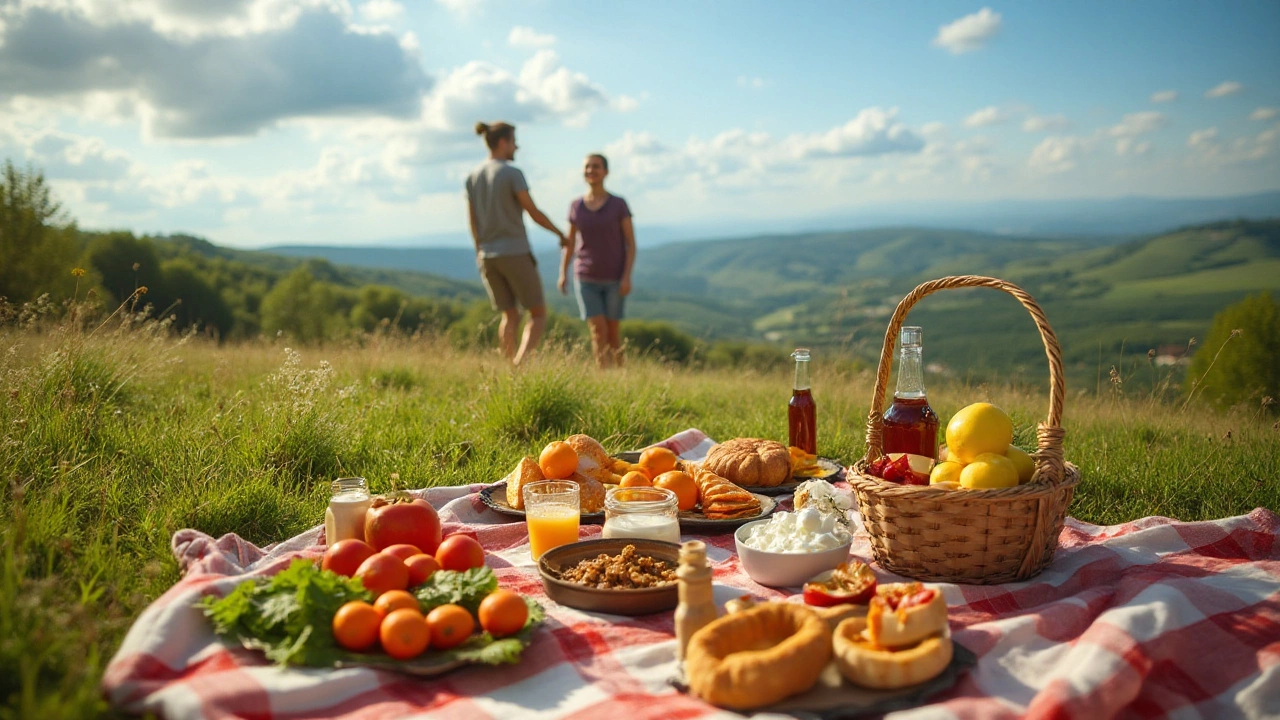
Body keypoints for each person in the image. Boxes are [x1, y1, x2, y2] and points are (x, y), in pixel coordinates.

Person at [466, 121, 567, 366]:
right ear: (503, 142)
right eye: (514, 141)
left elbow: (473, 221)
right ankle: (519, 367)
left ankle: (510, 367)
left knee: (509, 315)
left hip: (487, 256)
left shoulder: (472, 176)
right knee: (538, 313)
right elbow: (532, 211)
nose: (516, 147)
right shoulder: (512, 173)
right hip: (515, 252)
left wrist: (480, 250)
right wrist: (560, 234)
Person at [557, 153, 635, 369]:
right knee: (597, 331)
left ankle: (621, 377)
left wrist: (627, 276)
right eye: (587, 167)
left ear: (606, 172)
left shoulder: (619, 205)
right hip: (585, 276)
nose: (591, 171)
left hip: (614, 278)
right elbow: (570, 243)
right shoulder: (576, 206)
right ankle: (603, 378)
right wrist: (563, 273)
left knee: (612, 334)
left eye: (596, 167)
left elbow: (631, 244)